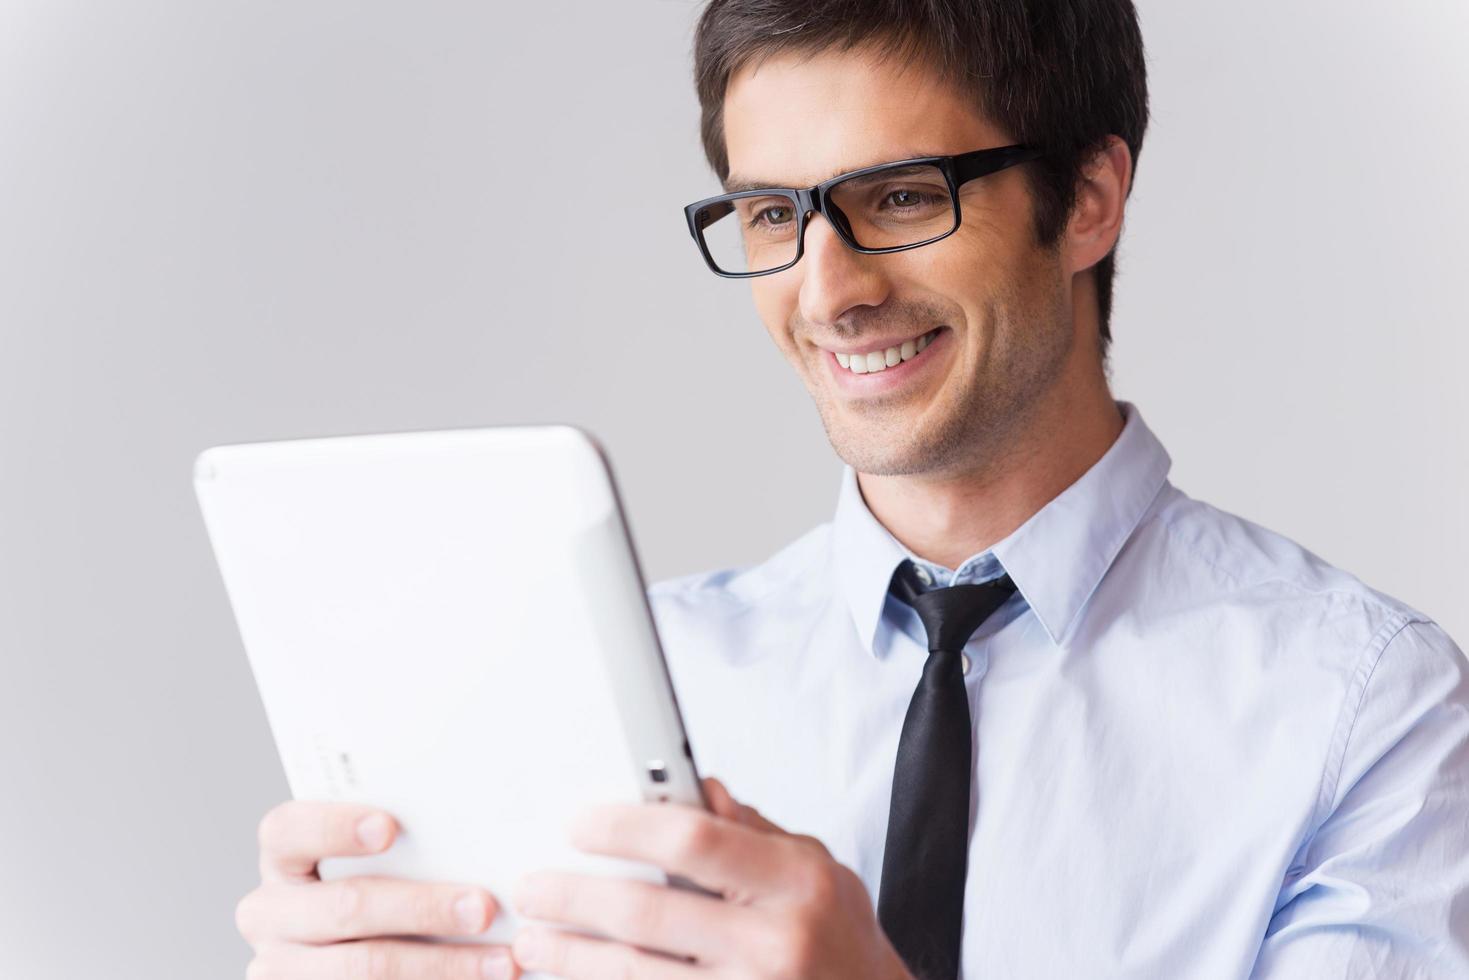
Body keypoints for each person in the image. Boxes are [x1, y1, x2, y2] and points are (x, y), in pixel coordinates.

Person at [233, 1, 1469, 977]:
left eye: (897, 197)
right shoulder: (633, 683)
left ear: (1086, 199)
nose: (828, 291)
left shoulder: (1365, 713)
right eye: (773, 213)